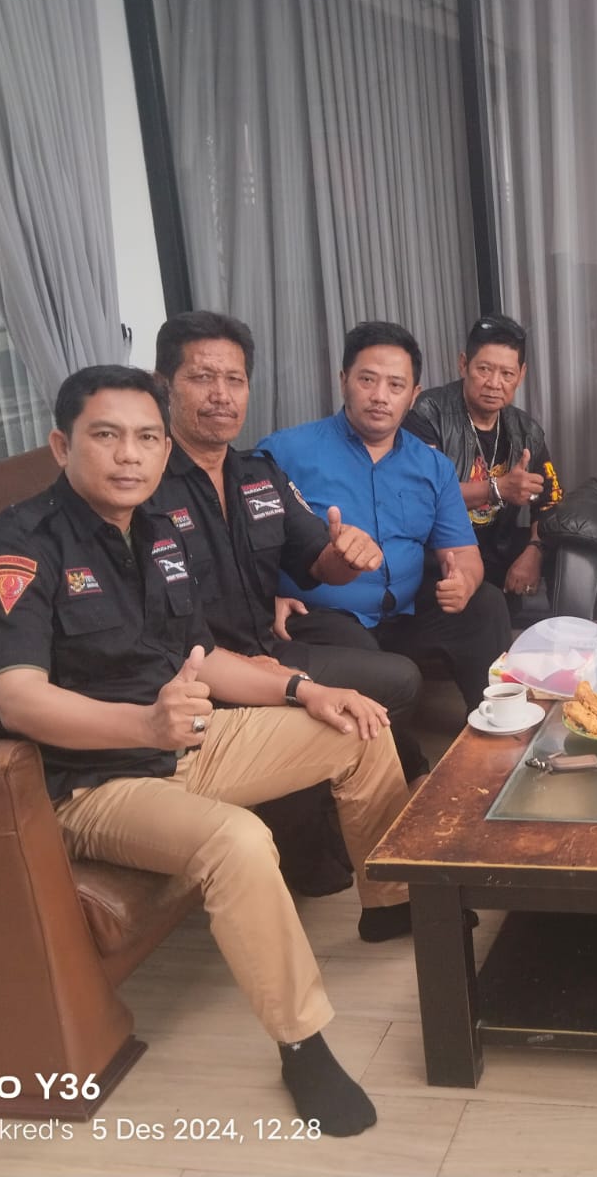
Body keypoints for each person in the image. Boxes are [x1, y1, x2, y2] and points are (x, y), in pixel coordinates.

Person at [0, 366, 416, 1136]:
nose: (129, 455)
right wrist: (144, 727)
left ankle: (392, 905)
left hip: (190, 741)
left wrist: (305, 689)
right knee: (238, 841)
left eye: (146, 438)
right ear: (61, 445)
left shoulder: (159, 531)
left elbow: (202, 657)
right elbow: (18, 699)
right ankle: (301, 1042)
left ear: (163, 448)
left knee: (358, 723)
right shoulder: (16, 549)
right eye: (106, 436)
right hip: (91, 783)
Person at [151, 311, 427, 896]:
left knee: (395, 678)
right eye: (202, 378)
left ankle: (353, 829)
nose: (222, 395)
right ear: (164, 384)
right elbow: (170, 634)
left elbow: (317, 560)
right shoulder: (144, 491)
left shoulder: (259, 474)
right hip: (203, 677)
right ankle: (318, 836)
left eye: (235, 380)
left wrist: (347, 555)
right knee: (319, 874)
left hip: (268, 649)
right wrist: (275, 677)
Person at [256, 321, 510, 713]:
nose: (380, 396)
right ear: (344, 380)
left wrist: (464, 581)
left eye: (395, 385)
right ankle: (395, 747)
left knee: (486, 604)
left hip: (405, 614)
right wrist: (263, 598)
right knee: (365, 658)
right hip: (322, 616)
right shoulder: (283, 452)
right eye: (367, 380)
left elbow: (464, 554)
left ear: (413, 395)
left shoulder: (433, 466)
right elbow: (239, 543)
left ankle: (496, 723)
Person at [402, 312, 563, 606]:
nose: (494, 383)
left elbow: (550, 501)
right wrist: (497, 489)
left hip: (497, 547)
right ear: (463, 364)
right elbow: (423, 496)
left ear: (521, 374)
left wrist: (534, 552)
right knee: (489, 604)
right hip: (440, 553)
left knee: (564, 554)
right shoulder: (429, 414)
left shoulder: (527, 431)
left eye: (507, 374)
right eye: (484, 369)